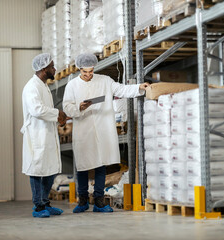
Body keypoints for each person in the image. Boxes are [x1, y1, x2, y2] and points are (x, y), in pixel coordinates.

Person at [63, 53, 150, 213]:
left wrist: (139, 87)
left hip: (103, 129)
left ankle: (99, 202)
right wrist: (78, 108)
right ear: (79, 70)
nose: (88, 75)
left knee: (101, 165)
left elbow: (121, 90)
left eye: (91, 71)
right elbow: (66, 106)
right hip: (84, 130)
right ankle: (82, 201)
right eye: (85, 72)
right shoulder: (72, 85)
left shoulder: (104, 81)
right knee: (83, 166)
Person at [21, 53, 67, 218]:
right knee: (37, 169)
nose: (55, 69)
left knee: (50, 169)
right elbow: (36, 110)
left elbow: (45, 111)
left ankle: (45, 203)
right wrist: (57, 114)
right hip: (36, 135)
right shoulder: (32, 87)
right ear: (43, 68)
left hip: (47, 133)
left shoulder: (43, 86)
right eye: (52, 66)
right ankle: (39, 207)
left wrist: (59, 117)